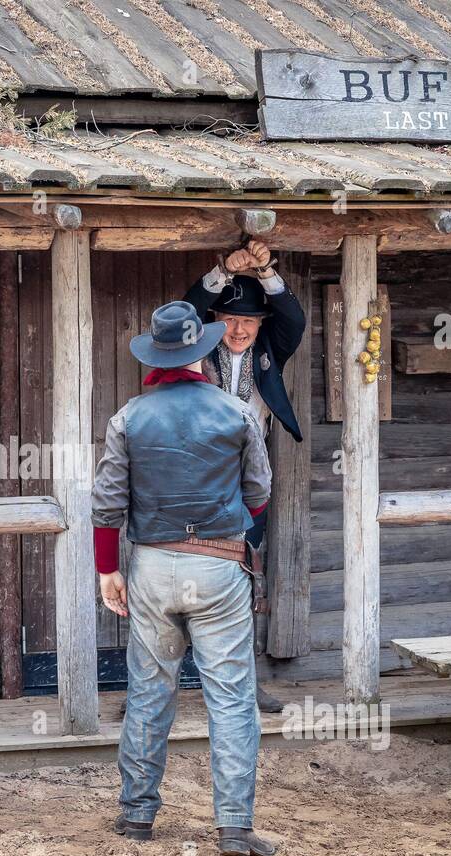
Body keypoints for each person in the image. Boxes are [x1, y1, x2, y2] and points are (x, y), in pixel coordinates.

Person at [92, 299, 277, 856]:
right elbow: (259, 492)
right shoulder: (237, 413)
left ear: (156, 353)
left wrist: (108, 569)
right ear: (202, 353)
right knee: (232, 698)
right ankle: (234, 828)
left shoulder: (128, 417)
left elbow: (106, 506)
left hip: (151, 567)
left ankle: (138, 817)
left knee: (150, 691)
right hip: (219, 566)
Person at [183, 240, 307, 714]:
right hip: (193, 483)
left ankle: (246, 686)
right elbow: (186, 309)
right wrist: (224, 270)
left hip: (247, 487)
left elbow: (293, 320)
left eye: (248, 321)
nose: (238, 329)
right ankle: (160, 691)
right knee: (180, 578)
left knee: (247, 578)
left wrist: (266, 271)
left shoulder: (270, 349)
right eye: (230, 319)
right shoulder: (197, 346)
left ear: (259, 325)